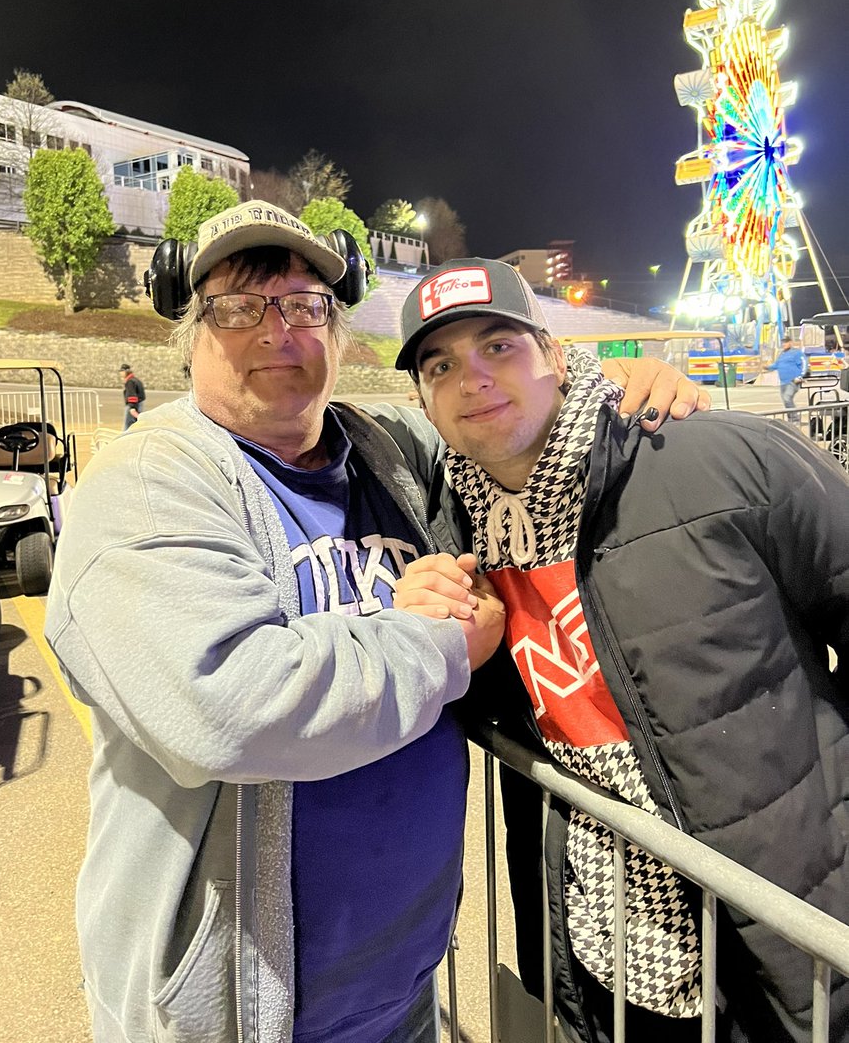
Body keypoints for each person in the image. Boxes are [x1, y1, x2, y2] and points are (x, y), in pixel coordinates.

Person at [44, 201, 707, 1043]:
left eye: (305, 305)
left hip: (402, 994)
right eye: (238, 308)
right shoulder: (147, 483)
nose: (277, 331)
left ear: (338, 330)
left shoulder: (386, 453)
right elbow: (229, 708)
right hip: (238, 1016)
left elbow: (500, 419)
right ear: (191, 336)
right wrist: (443, 642)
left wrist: (614, 389)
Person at [390, 257, 849, 1043]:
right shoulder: (455, 527)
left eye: (499, 346)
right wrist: (440, 640)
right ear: (422, 401)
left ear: (557, 356)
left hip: (782, 933)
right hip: (602, 941)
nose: (473, 379)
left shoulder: (715, 459)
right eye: (441, 366)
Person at [766, 338, 805, 420]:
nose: (784, 344)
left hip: (793, 381)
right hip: (783, 382)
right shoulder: (782, 354)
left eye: (785, 343)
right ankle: (791, 418)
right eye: (783, 343)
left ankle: (794, 418)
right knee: (785, 400)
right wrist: (767, 367)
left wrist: (800, 376)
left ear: (790, 343)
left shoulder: (796, 353)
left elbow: (804, 363)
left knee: (787, 397)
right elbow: (777, 364)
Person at [119, 361, 146, 429]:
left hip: (133, 405)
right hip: (139, 404)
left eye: (121, 371)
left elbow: (132, 395)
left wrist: (132, 407)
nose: (120, 373)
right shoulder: (135, 380)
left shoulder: (130, 382)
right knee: (135, 424)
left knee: (128, 425)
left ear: (125, 372)